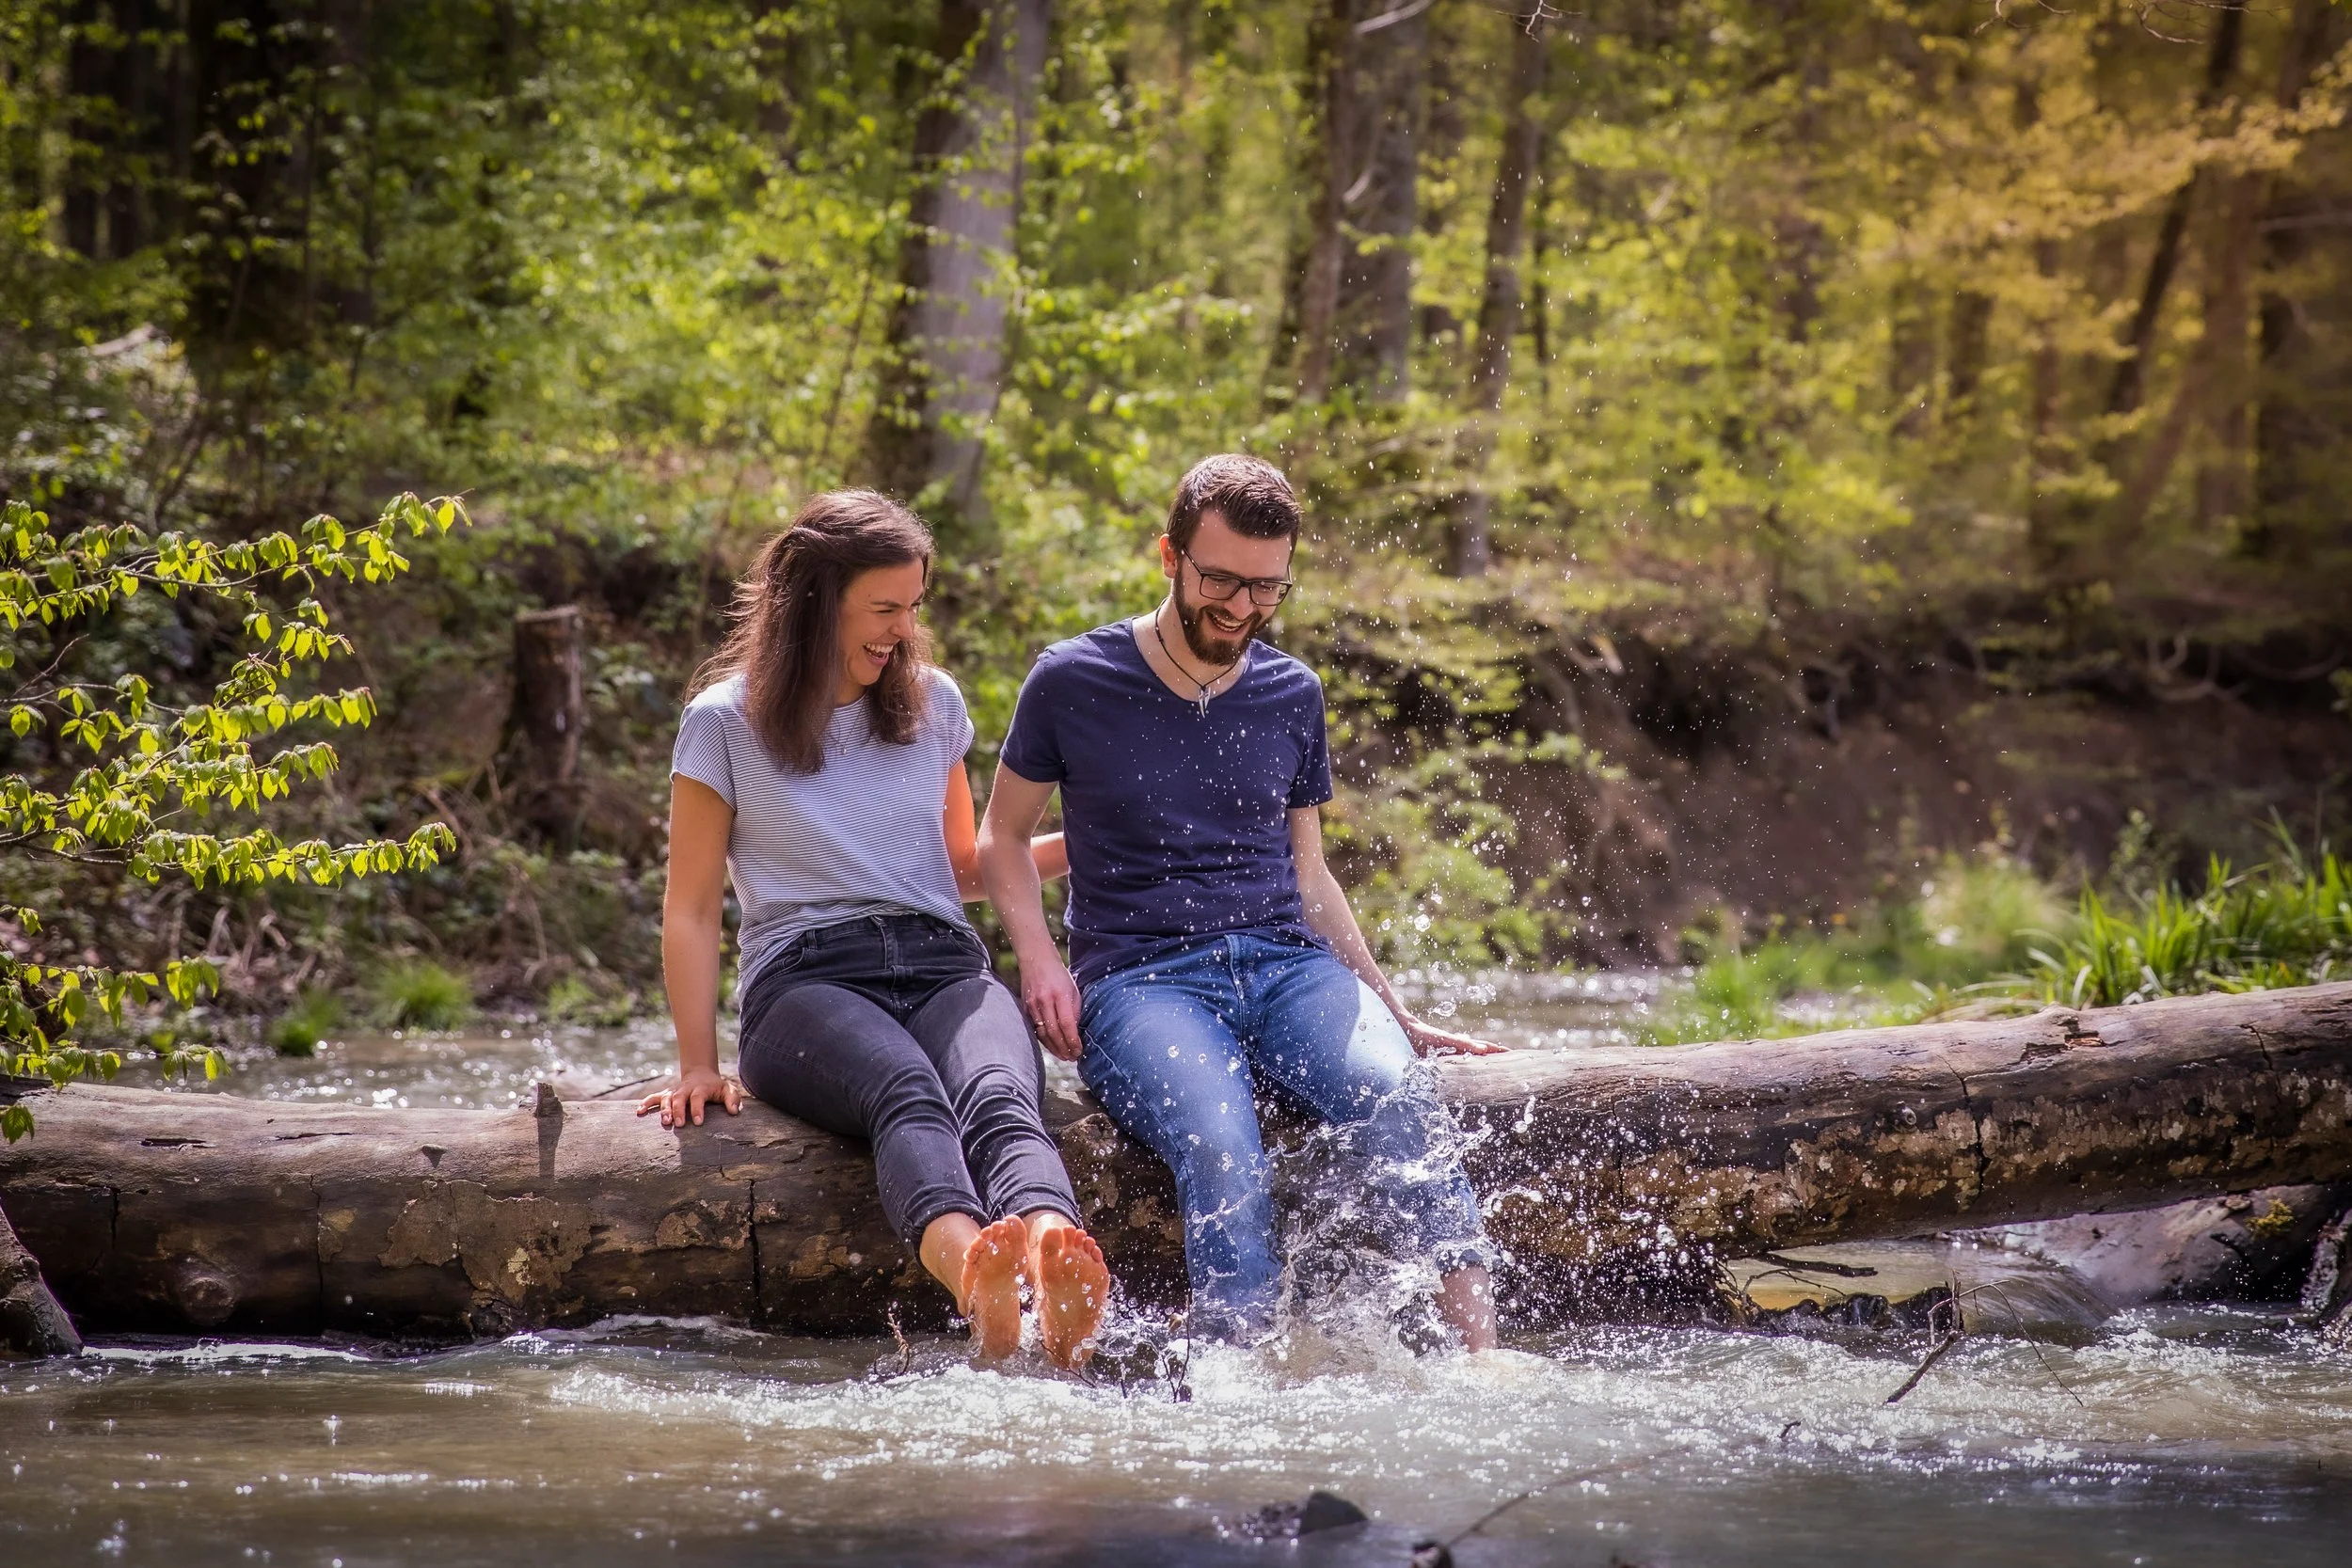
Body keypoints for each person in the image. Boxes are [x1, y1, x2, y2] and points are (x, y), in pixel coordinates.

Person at [976, 453, 1503, 1350]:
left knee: (1399, 1096)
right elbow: (1001, 838)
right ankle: (1239, 1378)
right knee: (1223, 1146)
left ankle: (1482, 1358)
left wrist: (1394, 1011)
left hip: (1289, 970)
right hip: (1140, 982)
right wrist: (1040, 962)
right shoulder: (1071, 679)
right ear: (1169, 555)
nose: (1240, 607)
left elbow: (1310, 875)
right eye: (1219, 579)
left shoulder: (1293, 692)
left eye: (1266, 588)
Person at [640, 488, 1111, 1369]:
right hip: (804, 983)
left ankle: (1053, 1248)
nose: (903, 629)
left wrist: (1095, 841)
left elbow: (963, 868)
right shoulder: (720, 723)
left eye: (912, 607)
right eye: (884, 607)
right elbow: (693, 908)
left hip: (944, 965)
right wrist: (697, 1062)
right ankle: (974, 1273)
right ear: (815, 600)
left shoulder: (933, 705)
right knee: (906, 1087)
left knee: (1001, 1095)